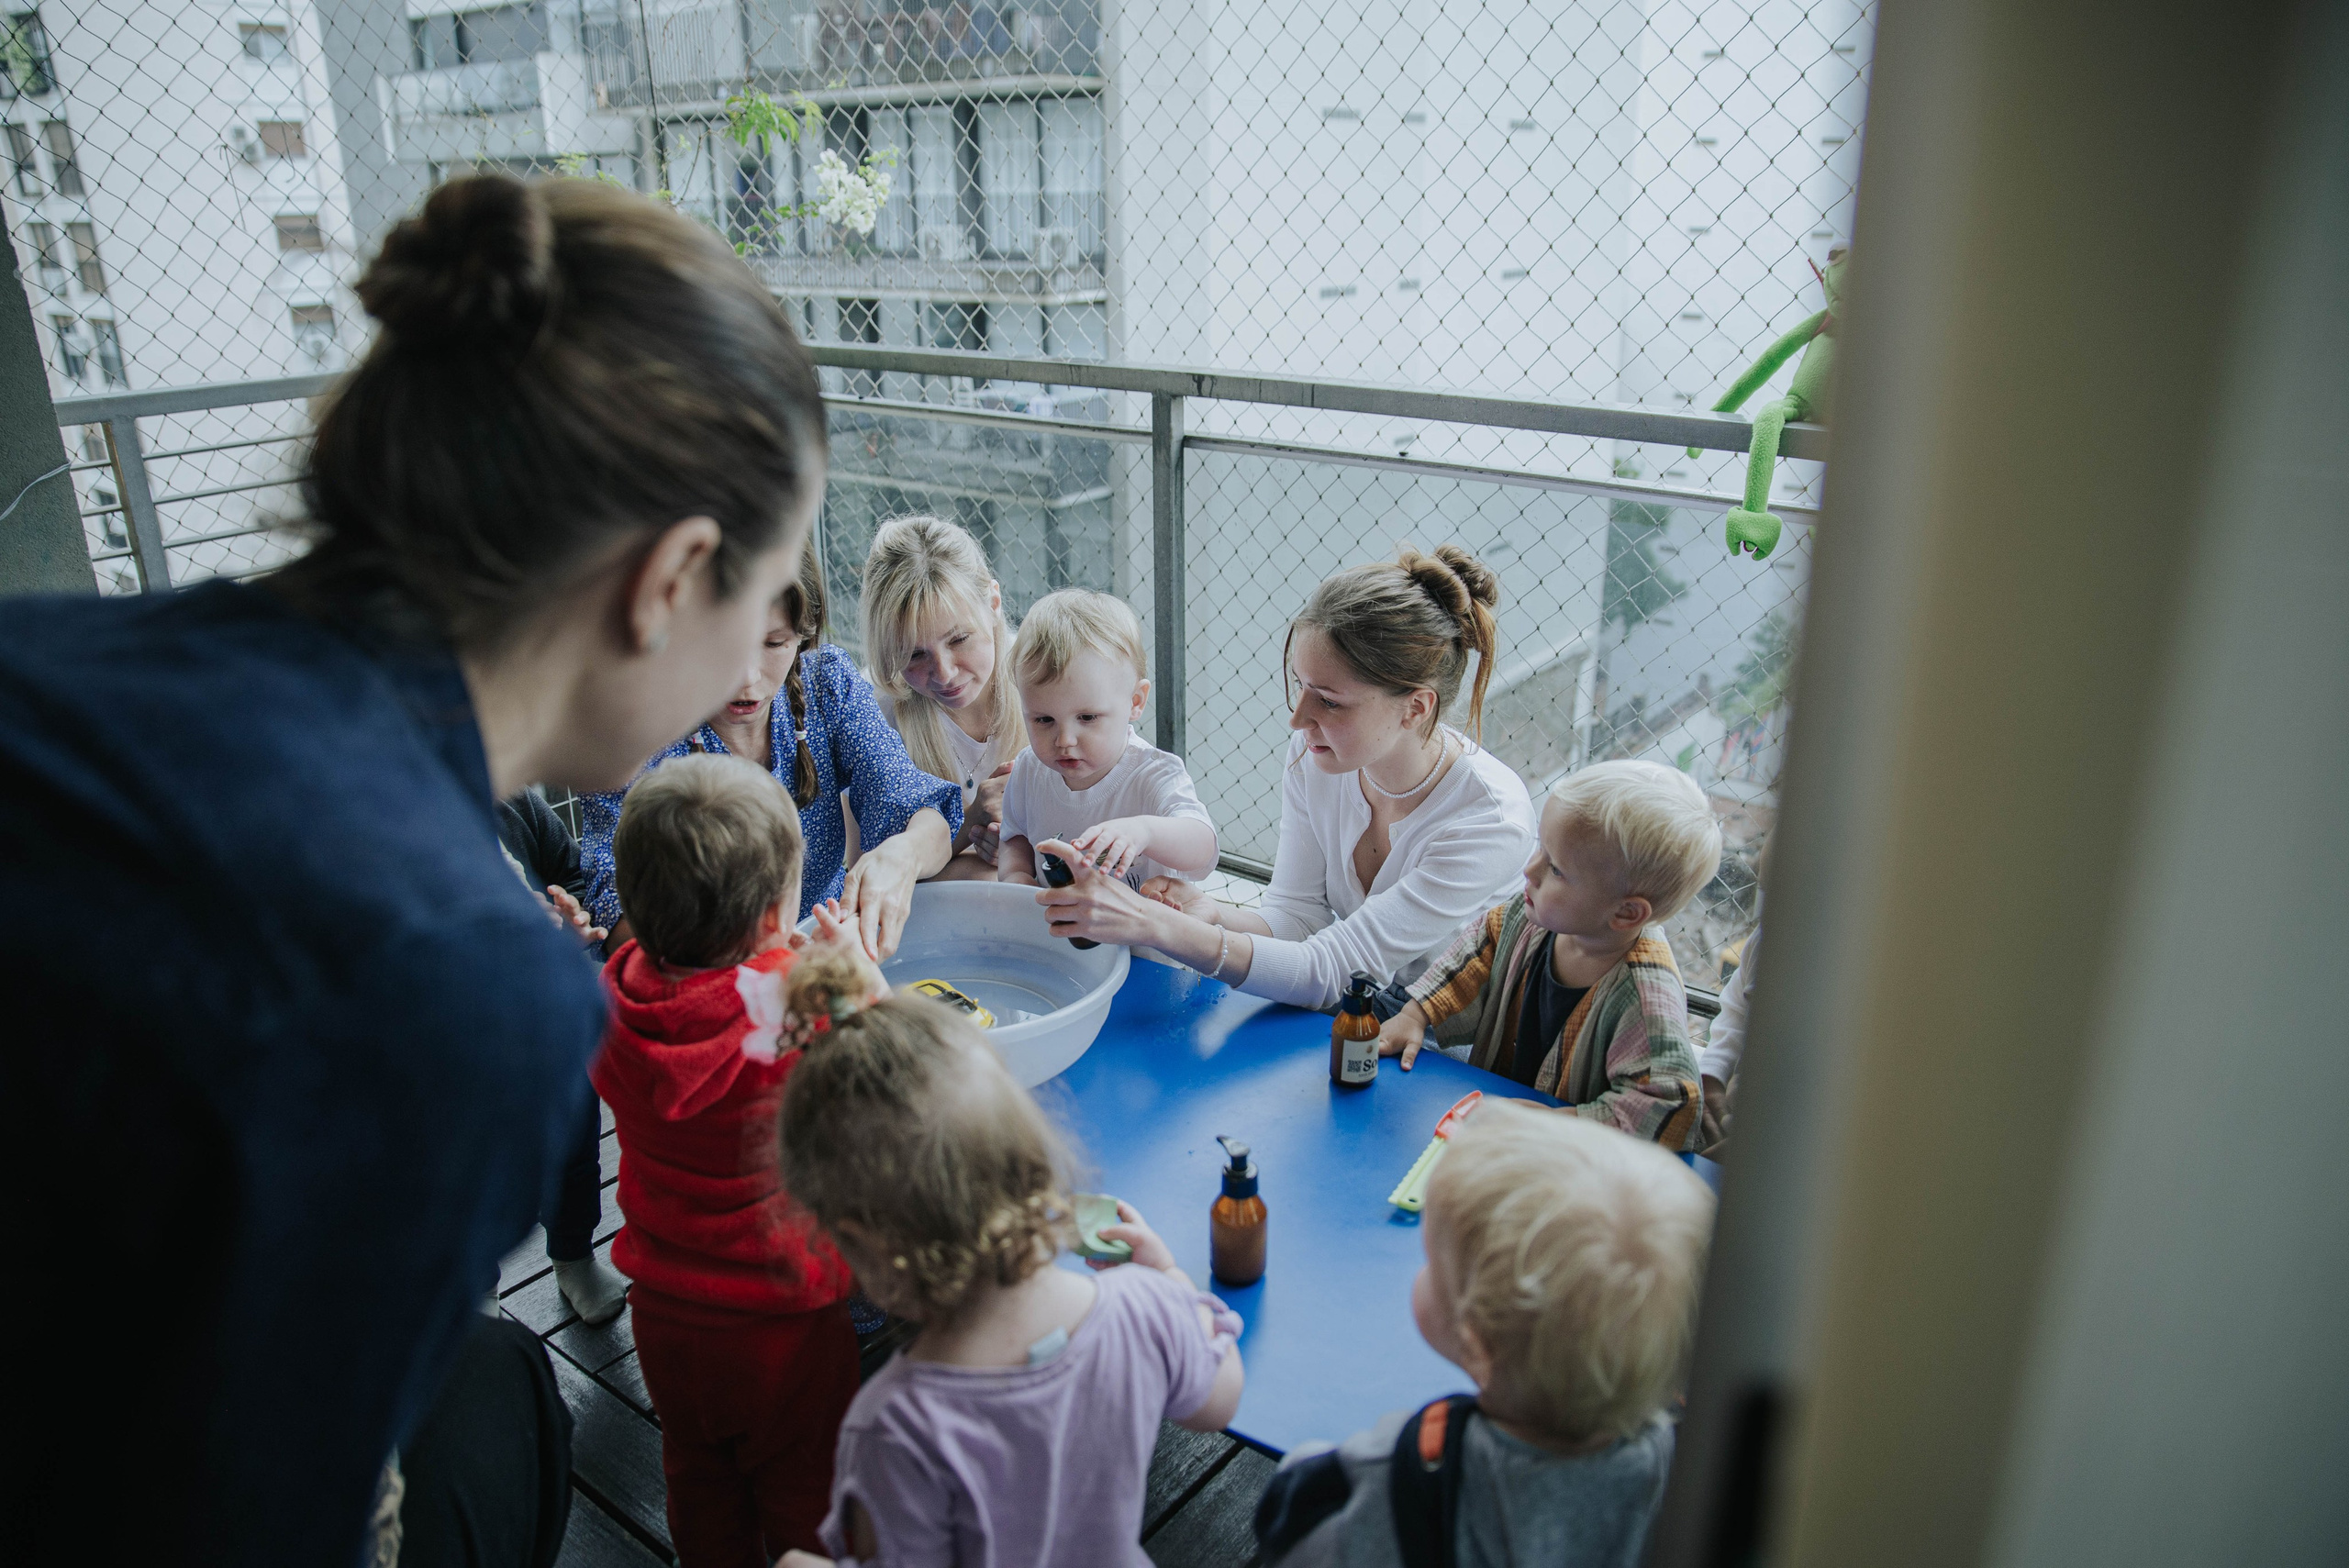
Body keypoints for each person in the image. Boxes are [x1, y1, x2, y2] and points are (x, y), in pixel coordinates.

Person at [0, 172, 829, 1562]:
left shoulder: (74, 654)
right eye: (758, 607)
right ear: (670, 579)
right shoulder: (462, 982)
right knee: (503, 1390)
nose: (757, 664)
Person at [771, 949, 1246, 1568]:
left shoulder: (896, 1428)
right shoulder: (1143, 1310)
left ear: (862, 1244)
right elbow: (1219, 1401)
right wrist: (1169, 1281)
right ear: (1032, 1148)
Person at [1034, 546, 1538, 1011]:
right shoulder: (1319, 755)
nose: (1298, 719)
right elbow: (1298, 917)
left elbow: (1332, 970)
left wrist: (1155, 925)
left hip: (1444, 1047)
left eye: (1330, 701)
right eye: (1301, 685)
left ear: (1416, 708)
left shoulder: (1488, 821)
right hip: (1360, 1007)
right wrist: (1213, 914)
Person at [592, 753, 869, 1564]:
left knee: (698, 1474)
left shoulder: (614, 999)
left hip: (665, 1315)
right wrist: (854, 974)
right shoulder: (798, 1004)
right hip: (788, 1314)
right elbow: (889, 1061)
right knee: (806, 1486)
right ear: (775, 917)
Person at [1252, 1103, 1714, 1568]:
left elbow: (1293, 1534)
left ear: (1476, 1348)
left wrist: (1308, 1466)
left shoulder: (1403, 1484)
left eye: (1431, 1263)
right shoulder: (1682, 1478)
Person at [581, 545, 961, 962]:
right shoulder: (632, 731)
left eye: (774, 643)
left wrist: (903, 855)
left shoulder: (825, 683)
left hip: (829, 939)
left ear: (803, 635)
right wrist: (760, 957)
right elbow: (618, 918)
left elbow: (920, 813)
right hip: (706, 969)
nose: (746, 678)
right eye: (721, 646)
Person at [1376, 761, 1720, 1150]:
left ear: (1626, 913)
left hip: (1572, 1160)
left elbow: (1669, 1107)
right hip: (1501, 1130)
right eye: (1541, 847)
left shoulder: (1646, 1001)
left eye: (1556, 869)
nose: (1530, 870)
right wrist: (1415, 1016)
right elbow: (1473, 959)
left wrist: (1559, 1123)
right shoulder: (1528, 918)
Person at [496, 787, 629, 1323]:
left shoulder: (514, 805)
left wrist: (572, 918)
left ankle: (573, 1255)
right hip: (461, 1036)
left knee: (574, 1147)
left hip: (547, 1021)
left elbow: (572, 872)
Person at [996, 588, 1218, 889]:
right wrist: (1016, 876)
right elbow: (1015, 836)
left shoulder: (1153, 774)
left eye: (1087, 718)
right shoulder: (1029, 770)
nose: (1065, 740)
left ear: (1135, 701)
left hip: (1140, 919)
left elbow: (1203, 847)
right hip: (1052, 918)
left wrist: (1144, 831)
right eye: (1044, 720)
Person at [860, 513, 1026, 875]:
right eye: (914, 655)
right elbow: (867, 865)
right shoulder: (873, 707)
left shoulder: (1042, 675)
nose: (945, 674)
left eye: (959, 639)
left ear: (993, 603)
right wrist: (969, 824)